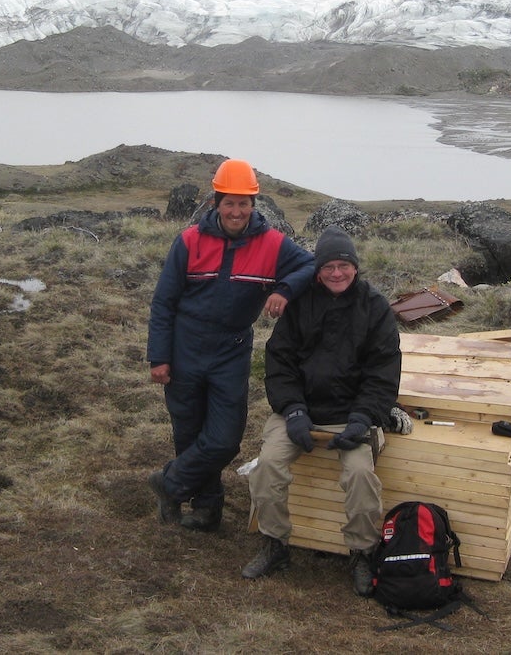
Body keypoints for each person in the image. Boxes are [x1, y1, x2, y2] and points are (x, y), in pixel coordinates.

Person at [147, 158, 316, 532]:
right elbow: (164, 302)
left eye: (244, 203)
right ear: (215, 203)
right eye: (230, 203)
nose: (237, 211)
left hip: (231, 350)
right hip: (184, 347)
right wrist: (159, 357)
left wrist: (284, 290)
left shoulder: (272, 244)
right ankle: (207, 512)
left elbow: (312, 265)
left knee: (224, 440)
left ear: (254, 206)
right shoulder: (189, 241)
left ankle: (168, 484)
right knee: (189, 433)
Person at [241, 225, 404, 596]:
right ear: (317, 270)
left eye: (343, 265)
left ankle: (362, 552)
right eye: (328, 266)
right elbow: (279, 362)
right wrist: (295, 412)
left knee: (361, 475)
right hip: (300, 411)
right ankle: (275, 544)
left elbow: (383, 374)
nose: (336, 273)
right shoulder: (300, 304)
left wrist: (363, 418)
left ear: (356, 268)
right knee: (268, 466)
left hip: (352, 415)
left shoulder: (375, 308)